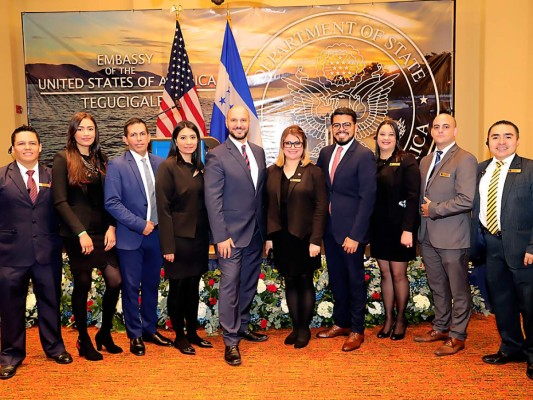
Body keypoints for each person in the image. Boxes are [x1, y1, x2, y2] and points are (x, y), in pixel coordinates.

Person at [0, 126, 72, 380]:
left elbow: (65, 211)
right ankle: (10, 356)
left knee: (50, 302)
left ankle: (55, 348)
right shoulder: (1, 178)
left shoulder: (54, 177)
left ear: (40, 147)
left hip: (47, 252)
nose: (27, 147)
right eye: (21, 144)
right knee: (11, 307)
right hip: (10, 255)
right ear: (13, 149)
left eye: (32, 143)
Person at [52, 112, 122, 361]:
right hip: (77, 234)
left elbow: (111, 199)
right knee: (83, 284)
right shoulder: (62, 159)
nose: (86, 133)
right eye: (81, 129)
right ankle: (83, 338)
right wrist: (80, 232)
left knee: (115, 281)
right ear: (73, 132)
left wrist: (112, 226)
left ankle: (104, 333)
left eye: (90, 128)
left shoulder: (101, 159)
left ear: (96, 132)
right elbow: (59, 202)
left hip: (102, 233)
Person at [204, 105, 267, 366]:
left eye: (243, 120)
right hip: (229, 237)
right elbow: (212, 199)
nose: (239, 124)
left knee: (248, 284)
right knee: (230, 288)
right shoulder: (217, 155)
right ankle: (230, 341)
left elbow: (259, 195)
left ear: (248, 123)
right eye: (234, 120)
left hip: (255, 234)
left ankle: (242, 326)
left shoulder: (259, 152)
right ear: (227, 123)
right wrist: (221, 236)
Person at [470, 120, 533, 380]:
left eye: (508, 136)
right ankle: (511, 348)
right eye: (495, 137)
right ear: (488, 143)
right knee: (502, 301)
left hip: (524, 250)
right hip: (492, 246)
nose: (501, 141)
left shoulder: (529, 169)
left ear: (517, 140)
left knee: (529, 305)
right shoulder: (480, 170)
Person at [104, 117, 172, 356]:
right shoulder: (116, 165)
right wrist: (139, 224)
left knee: (152, 284)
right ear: (125, 139)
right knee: (131, 287)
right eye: (133, 135)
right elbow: (111, 202)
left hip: (157, 236)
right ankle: (134, 335)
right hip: (131, 237)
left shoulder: (161, 163)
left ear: (149, 136)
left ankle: (149, 329)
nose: (139, 138)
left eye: (142, 133)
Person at [415, 113, 477, 356]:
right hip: (428, 236)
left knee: (458, 289)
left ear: (455, 131)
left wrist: (435, 210)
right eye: (436, 127)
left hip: (453, 236)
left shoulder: (465, 159)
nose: (440, 130)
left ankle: (458, 336)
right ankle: (440, 327)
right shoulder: (426, 160)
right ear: (431, 131)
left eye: (446, 126)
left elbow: (466, 200)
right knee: (438, 285)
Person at [315, 107, 377, 352]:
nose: (341, 129)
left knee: (354, 280)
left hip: (351, 232)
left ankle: (357, 329)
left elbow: (368, 198)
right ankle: (340, 323)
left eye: (346, 125)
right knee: (337, 278)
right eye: (337, 125)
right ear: (331, 128)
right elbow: (321, 190)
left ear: (355, 127)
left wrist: (356, 235)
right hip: (330, 230)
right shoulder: (325, 152)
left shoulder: (363, 155)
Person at [265, 125, 328, 349]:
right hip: (281, 238)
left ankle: (304, 329)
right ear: (282, 145)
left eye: (297, 143)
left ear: (303, 147)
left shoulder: (314, 172)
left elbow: (321, 209)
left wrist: (316, 241)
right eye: (288, 143)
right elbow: (268, 207)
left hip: (305, 239)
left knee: (304, 281)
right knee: (289, 282)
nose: (293, 147)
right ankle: (295, 325)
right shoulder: (272, 171)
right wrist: (269, 237)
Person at [155, 121, 212, 356]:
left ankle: (192, 333)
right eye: (183, 138)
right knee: (178, 289)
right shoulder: (167, 167)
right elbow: (163, 209)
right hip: (177, 240)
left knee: (192, 288)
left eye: (192, 137)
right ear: (175, 141)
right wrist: (167, 245)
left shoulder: (201, 167)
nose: (189, 142)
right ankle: (179, 336)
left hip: (198, 239)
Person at [370, 119, 420, 341]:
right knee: (385, 273)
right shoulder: (372, 162)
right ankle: (388, 318)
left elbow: (412, 196)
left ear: (396, 138)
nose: (386, 138)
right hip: (378, 227)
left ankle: (401, 319)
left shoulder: (407, 160)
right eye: (382, 134)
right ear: (377, 138)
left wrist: (408, 229)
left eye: (390, 134)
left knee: (399, 274)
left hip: (400, 228)